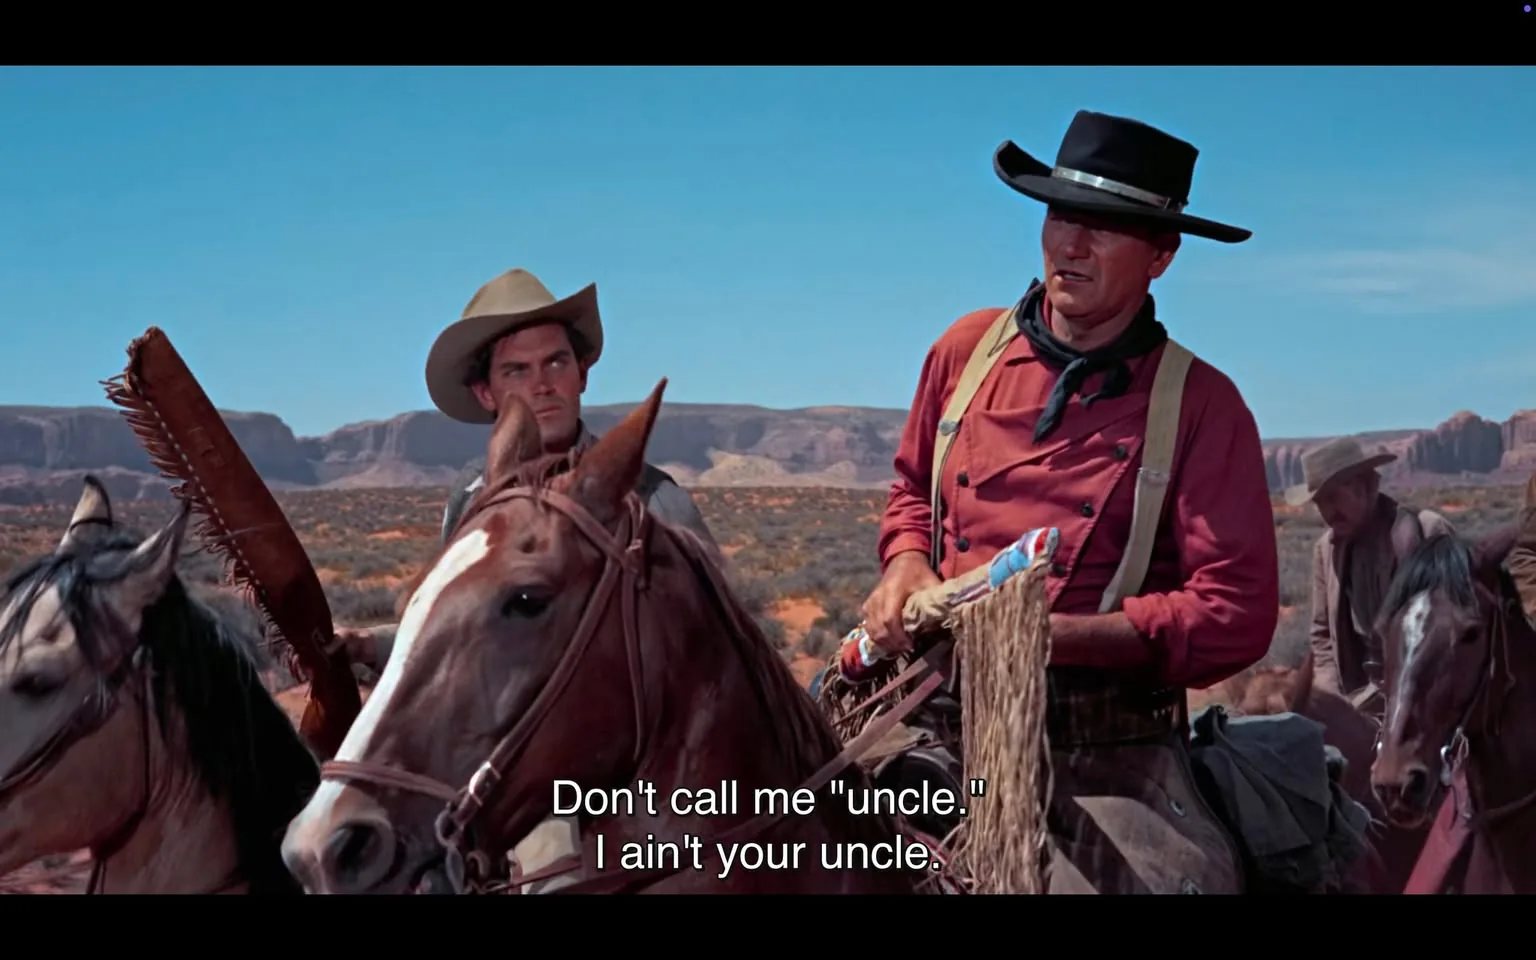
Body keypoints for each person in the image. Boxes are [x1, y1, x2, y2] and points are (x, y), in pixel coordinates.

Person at [861, 110, 1280, 894]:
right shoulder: (966, 350)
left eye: (1107, 228)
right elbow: (912, 490)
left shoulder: (1200, 406)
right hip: (930, 712)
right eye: (1061, 216)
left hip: (1102, 751)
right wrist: (907, 565)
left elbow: (1235, 614)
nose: (1071, 245)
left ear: (1162, 255)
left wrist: (1050, 638)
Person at [332, 266, 721, 892]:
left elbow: (712, 663)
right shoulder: (472, 508)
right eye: (517, 371)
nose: (542, 385)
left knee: (547, 868)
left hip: (624, 774)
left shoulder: (654, 500)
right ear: (486, 394)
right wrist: (371, 644)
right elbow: (473, 628)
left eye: (556, 363)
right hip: (499, 752)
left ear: (582, 374)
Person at [1286, 436, 1453, 715]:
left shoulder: (1428, 533)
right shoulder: (1326, 552)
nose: (1328, 512)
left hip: (1428, 697)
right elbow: (1322, 636)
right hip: (1359, 699)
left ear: (1365, 487)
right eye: (1320, 503)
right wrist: (1334, 704)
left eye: (1334, 498)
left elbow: (1451, 631)